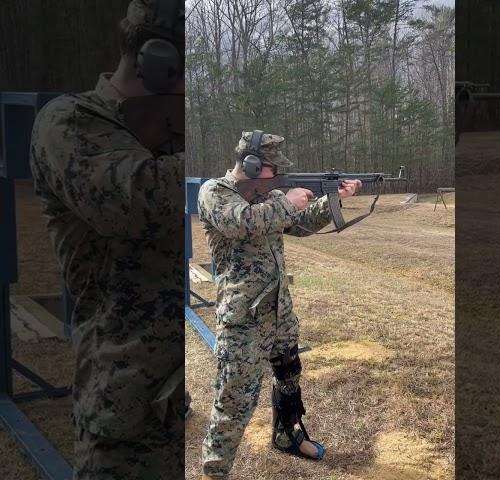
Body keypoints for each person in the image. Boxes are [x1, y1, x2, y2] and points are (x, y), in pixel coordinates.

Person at [29, 1, 185, 478]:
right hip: (124, 403)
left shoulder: (167, 130)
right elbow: (137, 199)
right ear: (160, 62)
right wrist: (229, 167)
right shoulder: (70, 122)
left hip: (176, 397)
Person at [198, 131, 362, 479]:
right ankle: (214, 473)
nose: (279, 176)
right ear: (252, 164)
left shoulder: (270, 196)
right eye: (274, 169)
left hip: (278, 309)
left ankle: (287, 434)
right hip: (243, 318)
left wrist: (332, 199)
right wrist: (287, 201)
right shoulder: (215, 193)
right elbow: (243, 223)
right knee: (234, 402)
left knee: (289, 374)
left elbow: (298, 226)